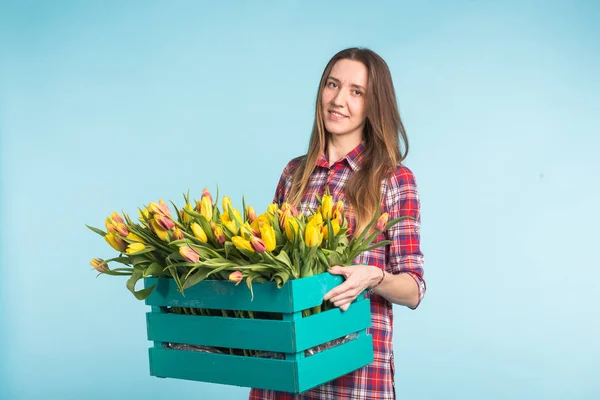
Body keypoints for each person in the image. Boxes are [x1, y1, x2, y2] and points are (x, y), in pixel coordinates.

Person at [249, 47, 425, 400]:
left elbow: (414, 288)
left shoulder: (393, 179)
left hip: (353, 378)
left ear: (374, 105)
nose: (339, 99)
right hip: (285, 370)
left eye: (356, 92)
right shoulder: (294, 173)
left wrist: (374, 277)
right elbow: (271, 265)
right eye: (332, 85)